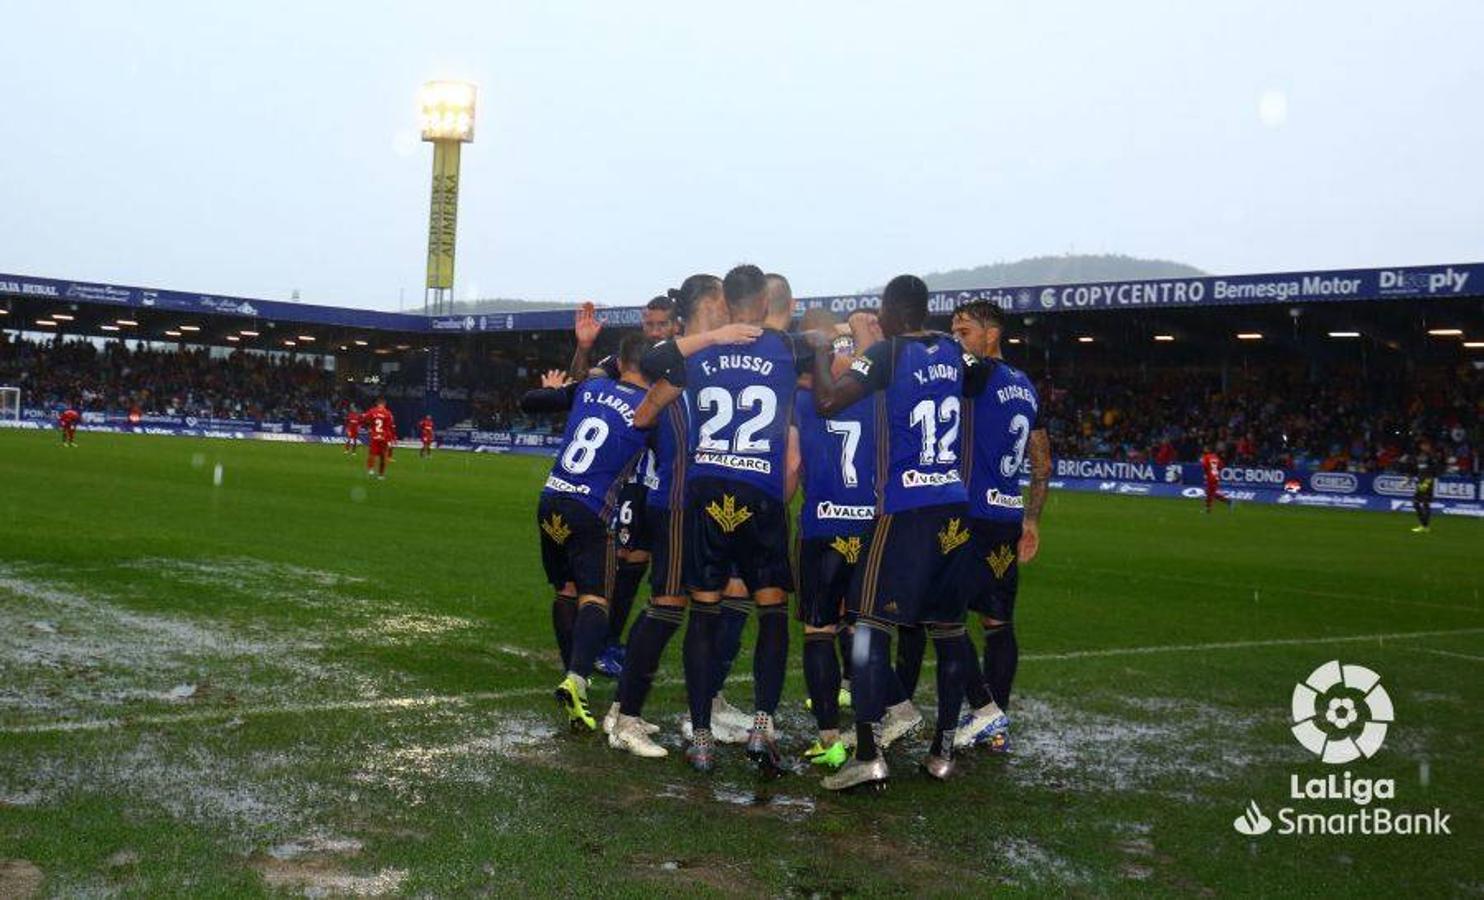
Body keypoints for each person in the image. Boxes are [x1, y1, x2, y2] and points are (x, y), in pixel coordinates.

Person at [807, 274, 992, 791]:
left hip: (905, 509)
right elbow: (979, 376)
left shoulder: (887, 353)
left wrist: (823, 353)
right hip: (955, 508)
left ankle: (867, 754)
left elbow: (827, 402)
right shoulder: (957, 354)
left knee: (866, 627)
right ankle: (942, 751)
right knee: (949, 630)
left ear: (890, 312)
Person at [635, 264, 808, 776]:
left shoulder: (704, 350)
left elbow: (652, 360)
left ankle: (702, 737)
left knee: (704, 612)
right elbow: (832, 352)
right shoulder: (787, 347)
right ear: (770, 303)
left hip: (706, 490)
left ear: (729, 306)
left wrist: (711, 334)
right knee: (771, 611)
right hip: (761, 491)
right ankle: (761, 725)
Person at [606, 277, 758, 758]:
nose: (726, 309)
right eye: (719, 302)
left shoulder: (713, 356)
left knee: (715, 602)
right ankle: (623, 715)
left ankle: (706, 704)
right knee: (668, 608)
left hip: (706, 501)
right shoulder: (675, 353)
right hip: (672, 499)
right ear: (701, 309)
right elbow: (653, 361)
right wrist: (715, 337)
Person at [519, 334, 654, 732]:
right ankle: (578, 677)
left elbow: (531, 402)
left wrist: (559, 388)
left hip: (552, 499)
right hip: (591, 509)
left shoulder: (591, 387)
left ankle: (572, 674)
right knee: (597, 596)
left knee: (567, 590)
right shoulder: (651, 408)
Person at [949, 300, 1052, 752]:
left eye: (964, 330)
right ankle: (996, 724)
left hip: (969, 513)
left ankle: (983, 708)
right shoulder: (1026, 386)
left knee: (942, 615)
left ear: (992, 333)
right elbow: (1042, 461)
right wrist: (1031, 517)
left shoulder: (977, 374)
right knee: (997, 621)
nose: (957, 339)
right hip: (1007, 515)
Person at [568, 296, 681, 681]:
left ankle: (610, 640)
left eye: (661, 324)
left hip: (667, 479)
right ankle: (602, 641)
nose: (653, 331)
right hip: (633, 477)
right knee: (624, 559)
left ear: (676, 325)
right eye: (649, 325)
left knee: (645, 562)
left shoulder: (686, 356)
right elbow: (580, 382)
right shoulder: (627, 360)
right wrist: (584, 347)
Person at [794, 309, 878, 770]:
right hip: (867, 527)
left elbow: (792, 468)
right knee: (862, 630)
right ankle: (871, 727)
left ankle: (830, 737)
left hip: (822, 526)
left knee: (818, 631)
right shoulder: (875, 399)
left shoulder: (803, 402)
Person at [363, 398, 396, 479]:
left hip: (374, 436)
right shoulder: (388, 413)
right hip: (384, 437)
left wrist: (370, 426)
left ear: (377, 404)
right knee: (383, 456)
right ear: (384, 404)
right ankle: (381, 475)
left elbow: (365, 419)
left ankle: (371, 469)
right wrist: (391, 438)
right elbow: (390, 426)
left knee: (372, 453)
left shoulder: (372, 411)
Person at [1200, 444, 1232, 512]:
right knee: (1211, 492)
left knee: (1209, 493)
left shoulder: (1206, 457)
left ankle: (1208, 508)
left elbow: (1204, 465)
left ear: (1208, 450)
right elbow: (1221, 466)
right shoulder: (1216, 457)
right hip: (1216, 477)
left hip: (1210, 477)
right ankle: (1227, 501)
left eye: (1205, 448)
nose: (1204, 450)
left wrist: (1207, 473)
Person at [1412, 445, 1436, 534]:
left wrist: (1427, 483)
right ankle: (1423, 524)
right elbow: (1417, 471)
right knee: (1415, 503)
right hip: (1420, 482)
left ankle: (1425, 526)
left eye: (1425, 446)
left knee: (1426, 503)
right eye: (1422, 445)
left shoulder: (1430, 458)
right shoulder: (1417, 457)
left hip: (1427, 483)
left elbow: (1433, 472)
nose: (1424, 447)